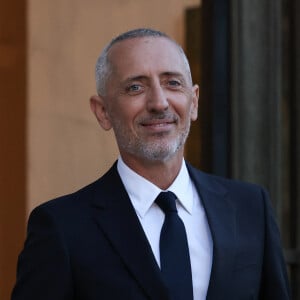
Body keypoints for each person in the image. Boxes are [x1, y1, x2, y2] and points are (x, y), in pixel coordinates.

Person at [11, 28, 291, 300]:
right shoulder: (62, 227)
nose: (159, 102)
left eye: (172, 83)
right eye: (135, 87)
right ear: (103, 112)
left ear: (193, 102)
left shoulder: (251, 209)